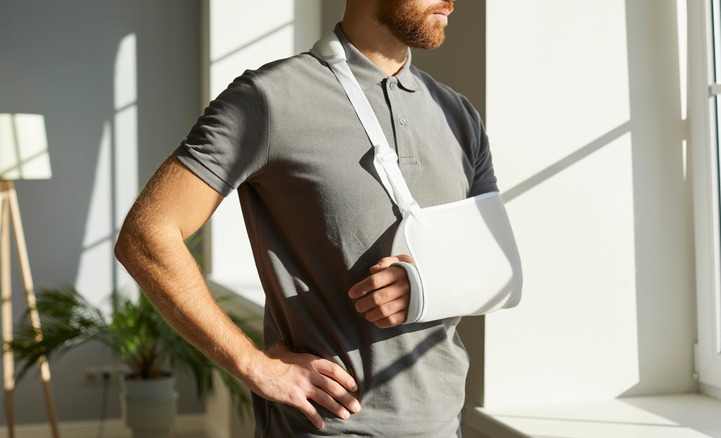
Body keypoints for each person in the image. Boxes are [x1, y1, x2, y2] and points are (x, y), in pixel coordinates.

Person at [115, 0, 497, 436]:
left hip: (443, 424)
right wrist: (252, 365)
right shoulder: (269, 98)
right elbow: (146, 234)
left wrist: (426, 285)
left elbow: (496, 264)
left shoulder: (459, 115)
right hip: (325, 427)